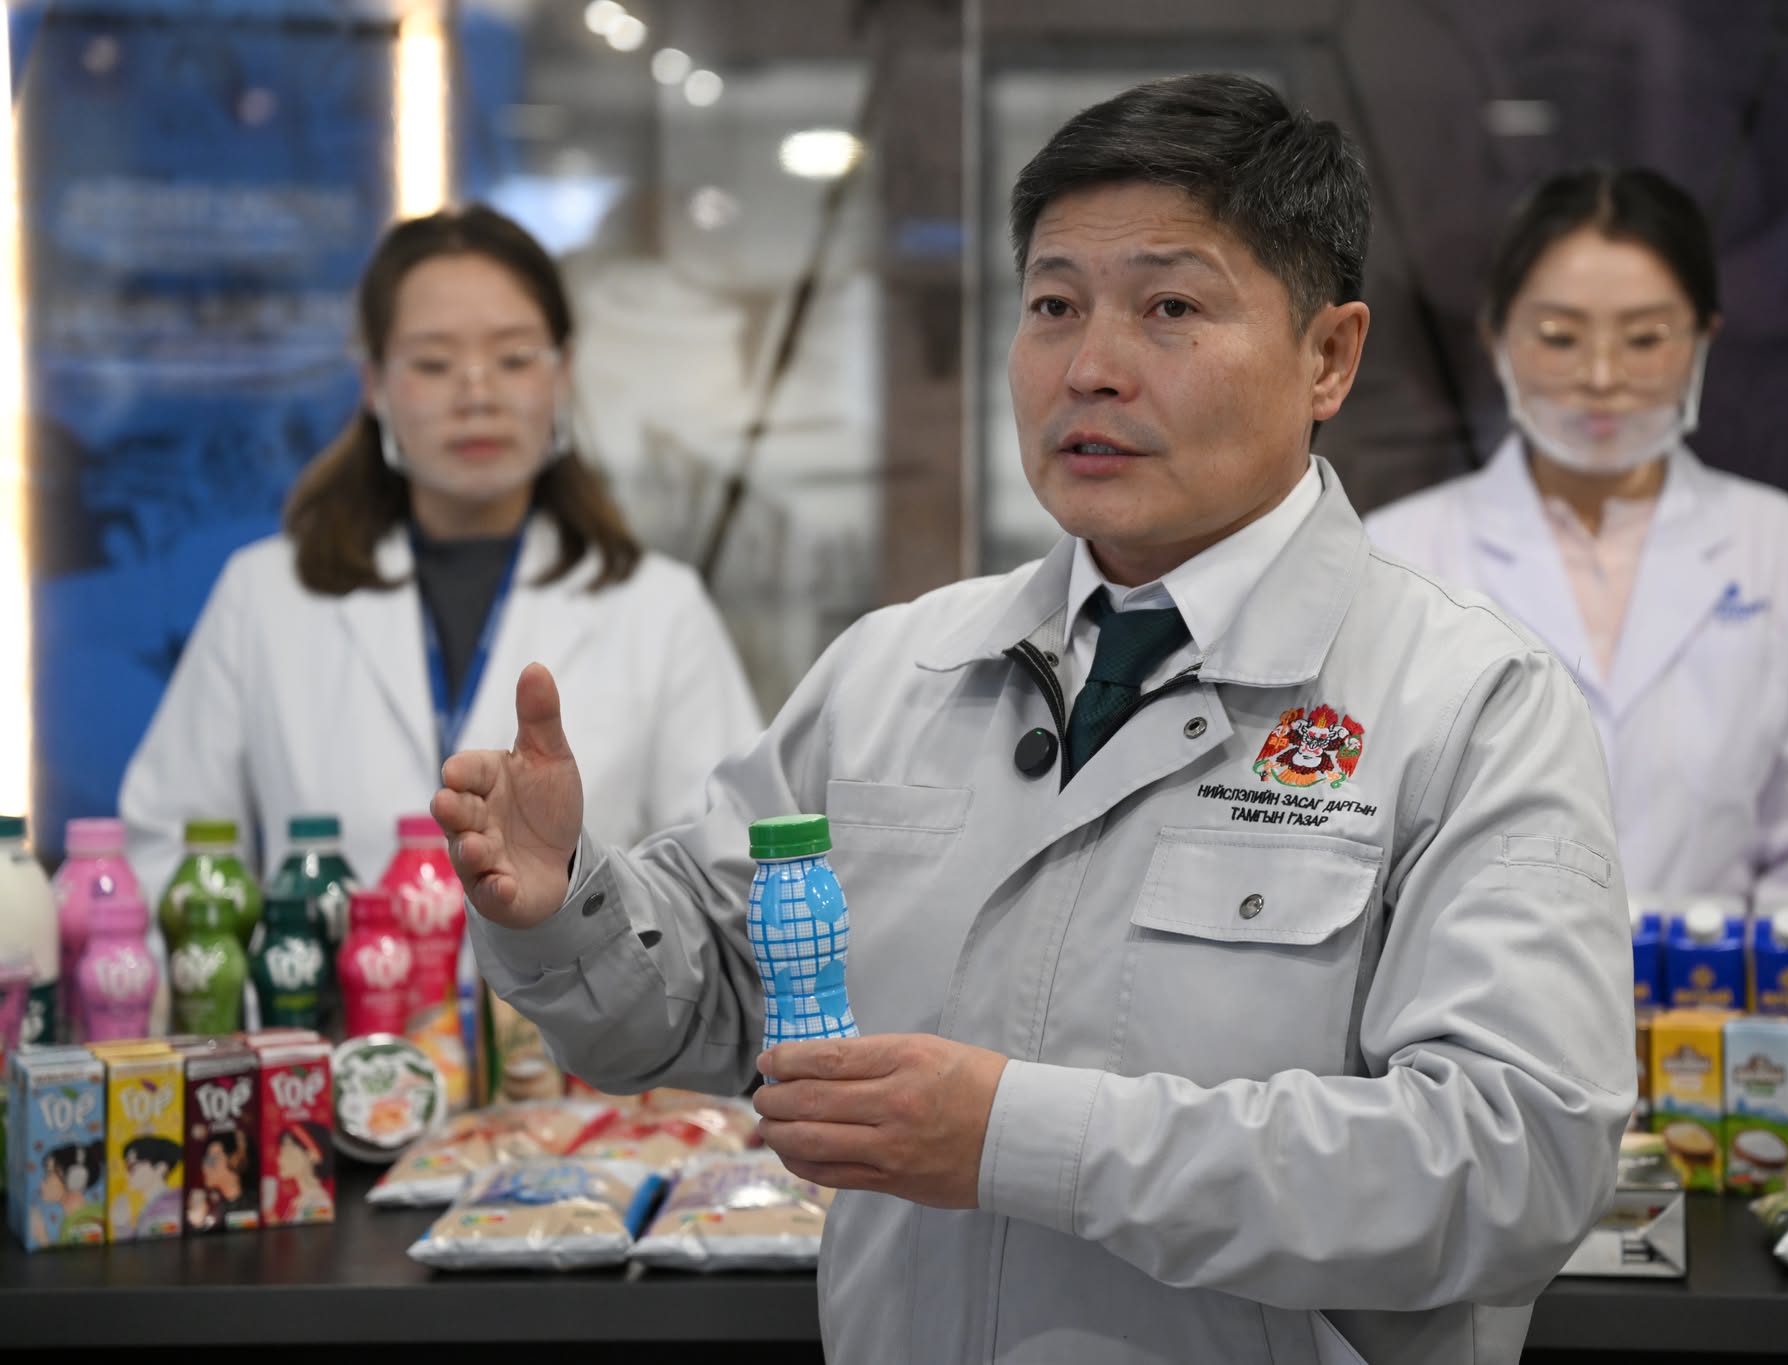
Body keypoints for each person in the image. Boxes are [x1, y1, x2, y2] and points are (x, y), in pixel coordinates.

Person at [437, 75, 1632, 1365]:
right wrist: (564, 904)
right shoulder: (896, 671)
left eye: (1170, 309)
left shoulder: (1465, 700)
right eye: (1054, 306)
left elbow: (1512, 1165)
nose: (1090, 368)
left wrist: (1017, 1138)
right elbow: (713, 1005)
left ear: (1327, 357)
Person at [119, 205, 760, 903]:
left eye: (514, 358)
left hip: (578, 981)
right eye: (433, 363)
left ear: (563, 374)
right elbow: (166, 853)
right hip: (331, 980)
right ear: (374, 385)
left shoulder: (660, 610)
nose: (477, 394)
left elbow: (724, 874)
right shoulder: (265, 596)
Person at [1365, 168, 1788, 917]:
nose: (1602, 376)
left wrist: (1738, 977)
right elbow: (1363, 829)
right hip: (1469, 986)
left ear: (1703, 340)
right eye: (1559, 336)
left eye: (1646, 338)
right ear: (1496, 339)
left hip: (1726, 985)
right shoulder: (1397, 554)